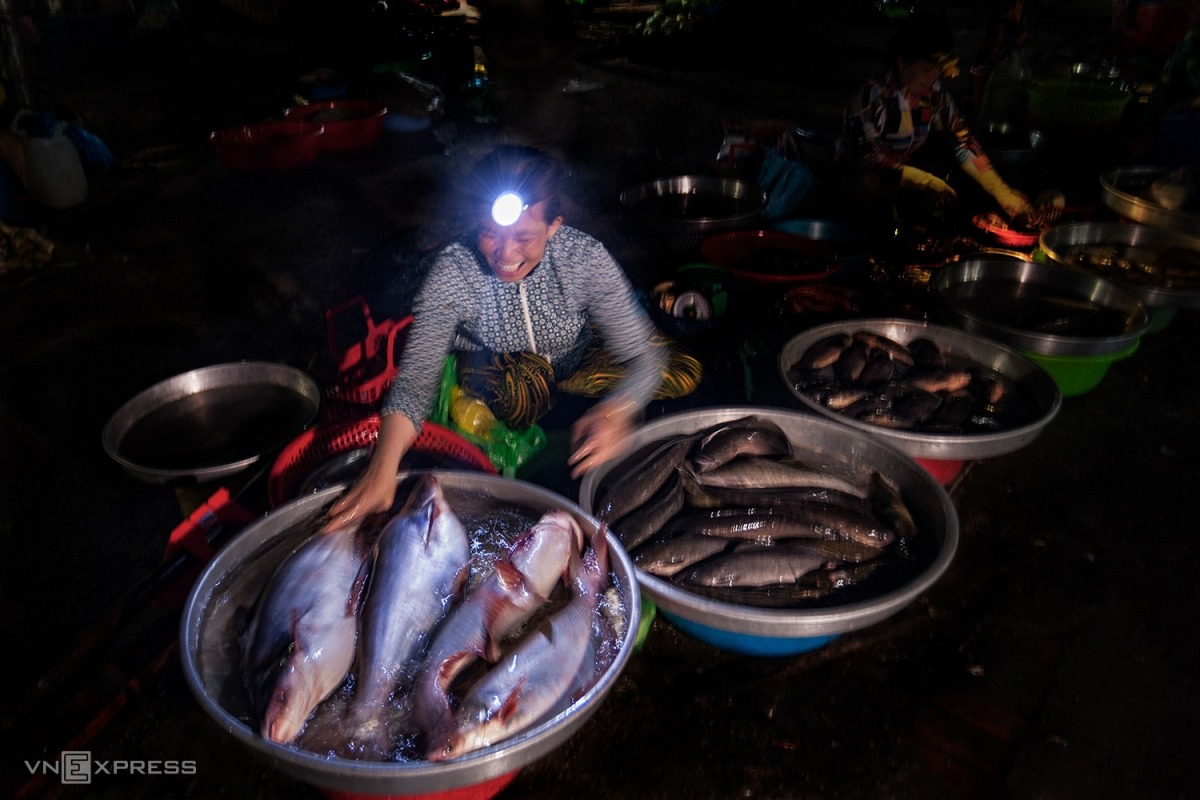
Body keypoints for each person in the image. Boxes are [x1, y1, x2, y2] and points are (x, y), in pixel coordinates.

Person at [323, 145, 673, 531]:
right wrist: (382, 468)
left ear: (554, 225)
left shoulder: (583, 260)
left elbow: (645, 357)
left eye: (524, 237)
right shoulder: (455, 270)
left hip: (571, 365)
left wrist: (616, 411)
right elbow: (415, 382)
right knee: (527, 379)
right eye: (489, 233)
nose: (505, 253)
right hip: (490, 376)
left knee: (677, 373)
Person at [834, 15, 1033, 236]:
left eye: (938, 67)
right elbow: (868, 160)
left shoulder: (934, 93)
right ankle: (874, 234)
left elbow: (961, 141)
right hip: (867, 180)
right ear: (902, 62)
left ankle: (920, 222)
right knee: (866, 185)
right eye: (928, 67)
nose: (934, 75)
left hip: (908, 177)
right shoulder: (873, 98)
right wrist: (925, 181)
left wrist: (1002, 192)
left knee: (951, 154)